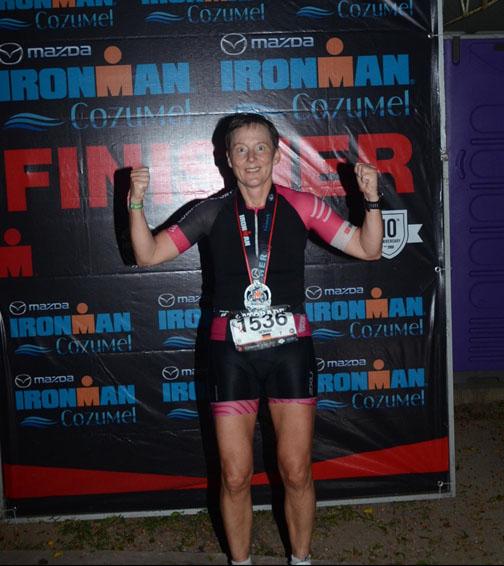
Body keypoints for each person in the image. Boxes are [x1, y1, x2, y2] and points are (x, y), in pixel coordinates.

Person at [128, 113, 383, 565]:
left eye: (260, 148)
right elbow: (147, 254)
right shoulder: (210, 211)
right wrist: (135, 203)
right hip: (230, 355)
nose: (251, 158)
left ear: (276, 154)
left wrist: (372, 200)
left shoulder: (302, 205)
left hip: (290, 353)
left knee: (296, 471)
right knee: (234, 475)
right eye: (241, 149)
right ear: (226, 159)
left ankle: (300, 560)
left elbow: (368, 247)